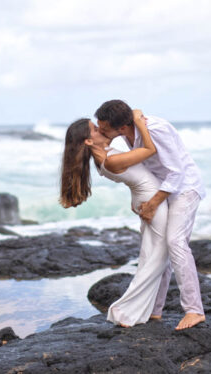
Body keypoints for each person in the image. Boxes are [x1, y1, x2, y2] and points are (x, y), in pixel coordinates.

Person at [95, 100, 206, 330]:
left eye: (104, 128)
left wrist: (153, 203)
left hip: (184, 188)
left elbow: (176, 172)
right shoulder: (130, 132)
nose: (101, 132)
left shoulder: (156, 129)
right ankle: (154, 310)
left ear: (122, 127)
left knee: (175, 241)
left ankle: (194, 310)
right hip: (162, 191)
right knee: (159, 247)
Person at [60, 110, 170, 327]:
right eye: (95, 129)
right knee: (157, 257)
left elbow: (135, 176)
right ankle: (124, 310)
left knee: (151, 256)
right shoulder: (110, 161)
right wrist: (138, 121)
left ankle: (145, 311)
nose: (101, 129)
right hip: (151, 202)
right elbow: (150, 149)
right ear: (89, 140)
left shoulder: (105, 154)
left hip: (145, 199)